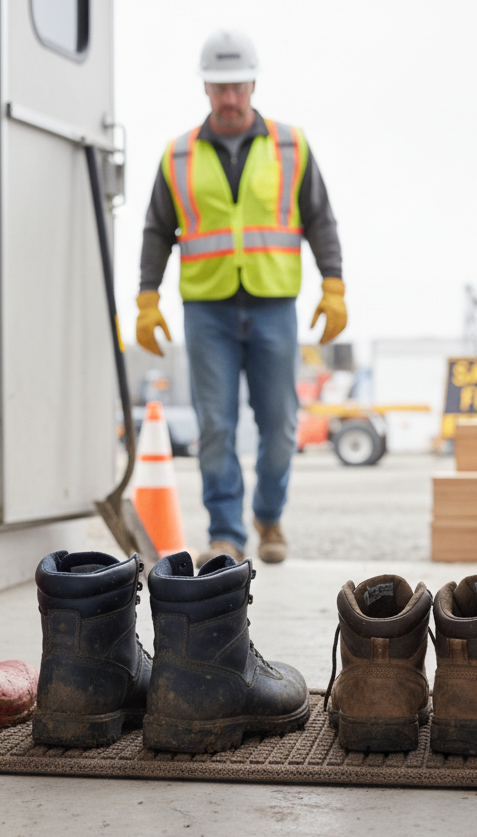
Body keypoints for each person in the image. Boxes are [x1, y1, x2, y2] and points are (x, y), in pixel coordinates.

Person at [135, 29, 346, 565]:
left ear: (252, 83)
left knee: (279, 423)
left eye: (237, 86)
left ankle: (269, 517)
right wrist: (147, 297)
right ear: (205, 87)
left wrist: (334, 283)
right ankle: (227, 532)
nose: (229, 98)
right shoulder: (179, 154)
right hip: (208, 309)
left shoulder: (290, 146)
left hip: (274, 303)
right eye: (218, 87)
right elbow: (158, 230)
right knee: (216, 426)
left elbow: (319, 218)